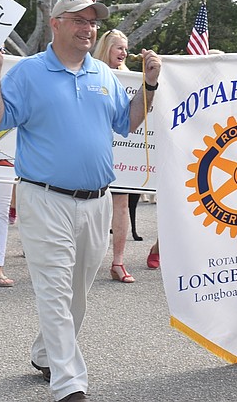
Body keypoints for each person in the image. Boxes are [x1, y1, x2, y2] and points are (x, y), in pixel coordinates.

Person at [0, 0, 161, 402]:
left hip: (97, 201)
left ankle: (46, 353)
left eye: (92, 22)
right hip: (45, 199)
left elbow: (126, 123)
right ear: (56, 24)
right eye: (79, 20)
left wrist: (149, 85)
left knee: (78, 292)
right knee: (55, 290)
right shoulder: (27, 73)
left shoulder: (103, 73)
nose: (88, 28)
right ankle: (69, 383)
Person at [93, 28, 138, 283]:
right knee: (92, 207)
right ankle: (83, 260)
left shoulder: (131, 80)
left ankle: (118, 261)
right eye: (119, 47)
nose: (124, 52)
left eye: (125, 48)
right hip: (94, 152)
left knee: (121, 204)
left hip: (123, 154)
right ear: (107, 48)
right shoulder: (90, 73)